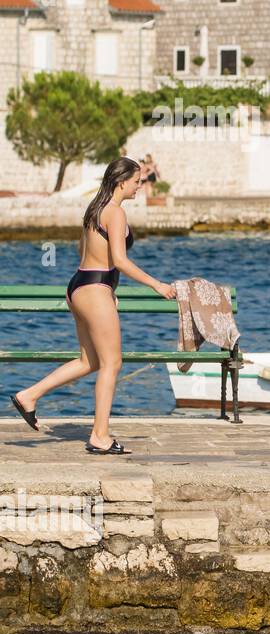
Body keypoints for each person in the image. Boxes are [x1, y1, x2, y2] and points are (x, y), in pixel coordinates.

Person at [8, 158, 175, 454]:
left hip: (79, 286)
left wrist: (107, 289)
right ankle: (100, 436)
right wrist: (156, 285)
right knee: (112, 363)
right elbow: (120, 261)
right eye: (137, 181)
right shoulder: (116, 212)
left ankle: (29, 395)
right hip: (94, 290)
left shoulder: (94, 209)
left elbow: (83, 250)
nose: (140, 186)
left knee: (90, 362)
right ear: (122, 182)